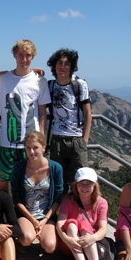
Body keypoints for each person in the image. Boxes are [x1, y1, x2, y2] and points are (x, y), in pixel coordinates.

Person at [0, 39, 50, 192]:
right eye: (20, 55)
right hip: (6, 143)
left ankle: (22, 213)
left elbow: (42, 113)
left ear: (33, 57)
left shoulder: (39, 81)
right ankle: (5, 213)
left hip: (30, 145)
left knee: (28, 182)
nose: (24, 59)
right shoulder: (2, 80)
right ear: (14, 55)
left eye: (28, 55)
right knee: (2, 181)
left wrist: (41, 138)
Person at [56, 168, 108, 260]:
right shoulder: (69, 200)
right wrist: (67, 239)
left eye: (88, 184)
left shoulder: (101, 203)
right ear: (76, 185)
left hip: (90, 244)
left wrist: (92, 238)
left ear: (94, 186)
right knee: (72, 223)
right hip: (70, 244)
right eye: (81, 184)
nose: (84, 187)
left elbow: (103, 229)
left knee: (84, 224)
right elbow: (60, 223)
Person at [46, 49, 92, 192]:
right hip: (57, 139)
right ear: (54, 66)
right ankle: (61, 212)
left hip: (77, 139)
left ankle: (78, 213)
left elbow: (87, 113)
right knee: (58, 180)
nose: (63, 67)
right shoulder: (50, 85)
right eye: (60, 63)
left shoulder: (79, 84)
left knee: (80, 180)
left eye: (67, 63)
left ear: (72, 66)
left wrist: (84, 140)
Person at [11, 131, 63, 253]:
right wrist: (33, 220)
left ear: (44, 147)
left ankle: (43, 236)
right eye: (28, 148)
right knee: (27, 238)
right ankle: (23, 237)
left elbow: (57, 197)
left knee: (50, 247)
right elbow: (16, 197)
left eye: (35, 148)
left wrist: (44, 220)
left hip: (47, 214)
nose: (31, 152)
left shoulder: (55, 168)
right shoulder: (19, 167)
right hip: (26, 214)